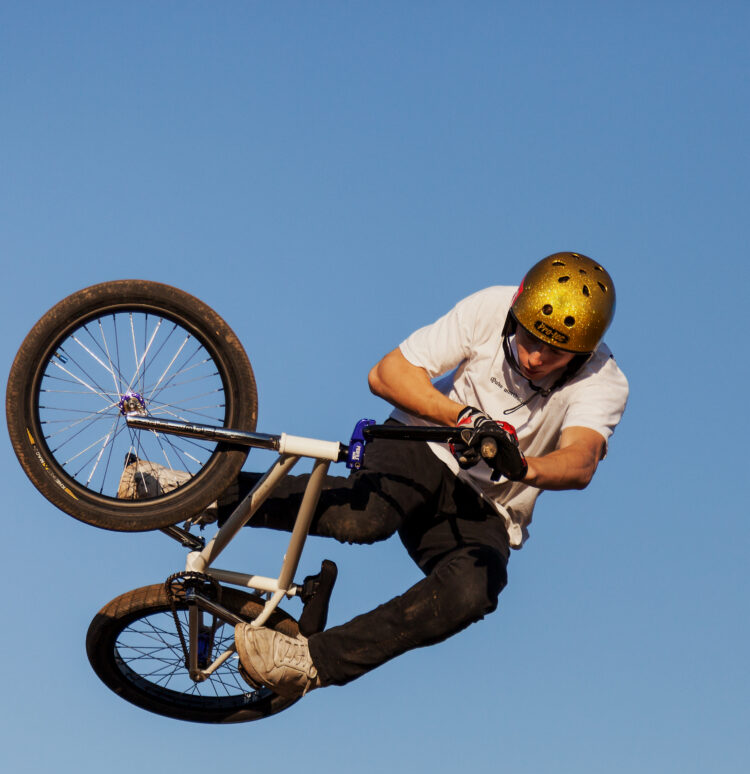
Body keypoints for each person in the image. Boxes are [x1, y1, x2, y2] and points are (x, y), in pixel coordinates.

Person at [227, 251, 629, 698]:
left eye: (555, 352)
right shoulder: (490, 309)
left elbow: (581, 459)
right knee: (367, 517)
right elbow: (386, 373)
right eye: (529, 337)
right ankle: (208, 496)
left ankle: (308, 662)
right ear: (516, 312)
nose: (535, 357)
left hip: (486, 504)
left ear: (583, 354)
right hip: (422, 443)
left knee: (475, 590)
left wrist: (525, 466)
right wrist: (462, 417)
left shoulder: (603, 380)